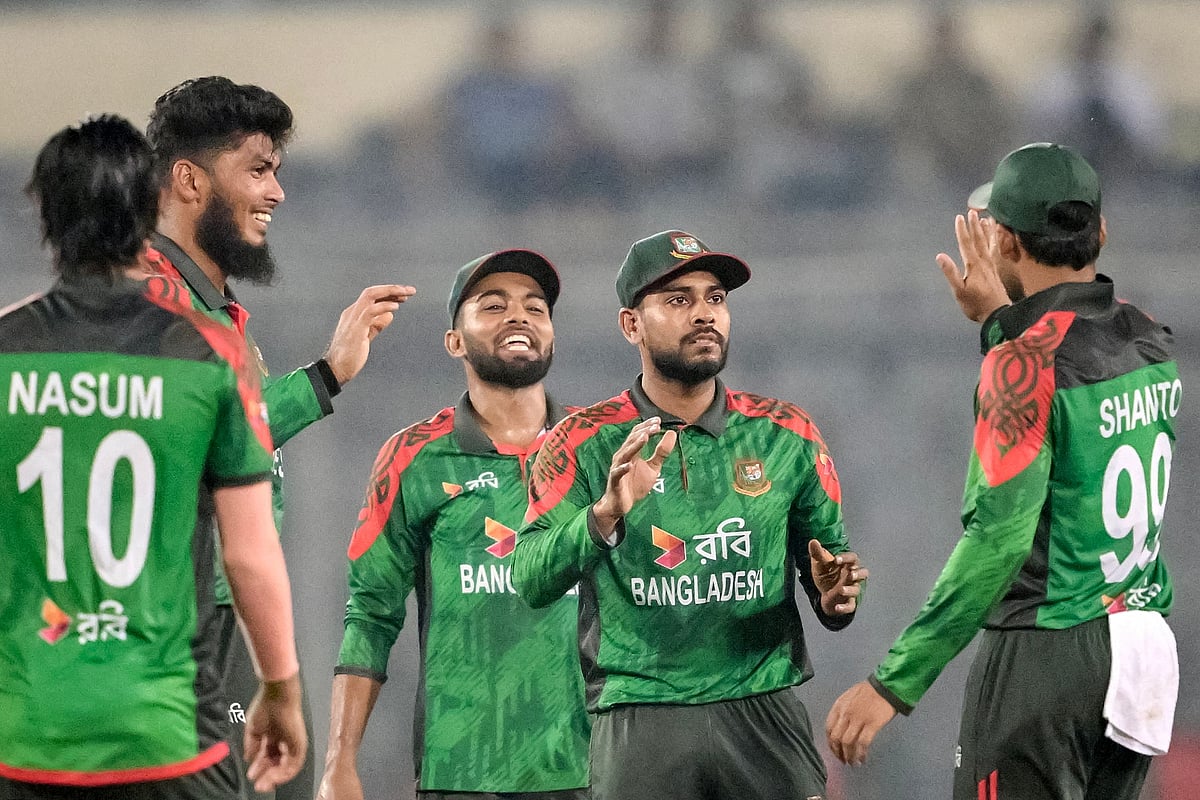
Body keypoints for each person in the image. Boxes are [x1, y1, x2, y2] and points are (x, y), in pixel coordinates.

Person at [826, 143, 1180, 800]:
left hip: (1050, 649)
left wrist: (892, 683)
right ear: (1100, 232)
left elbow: (998, 539)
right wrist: (1000, 324)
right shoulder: (1148, 337)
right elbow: (1071, 362)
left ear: (1005, 242)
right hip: (1143, 652)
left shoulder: (1020, 364)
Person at [0, 115, 304, 799]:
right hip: (169, 737)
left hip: (24, 736)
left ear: (47, 217)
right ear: (149, 209)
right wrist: (280, 688)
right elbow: (249, 552)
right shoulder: (210, 355)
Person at [513, 230, 868, 800]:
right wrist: (603, 515)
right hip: (640, 715)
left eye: (715, 298)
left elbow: (833, 575)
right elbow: (531, 576)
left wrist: (837, 595)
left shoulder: (787, 433)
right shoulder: (581, 442)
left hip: (764, 713)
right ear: (631, 325)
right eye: (679, 300)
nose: (704, 313)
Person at [144, 76, 415, 800]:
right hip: (190, 616)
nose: (277, 192)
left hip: (227, 614)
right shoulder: (150, 303)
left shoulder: (210, 307)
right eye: (258, 170)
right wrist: (325, 379)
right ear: (190, 180)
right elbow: (208, 434)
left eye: (278, 171)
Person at [318, 251, 590, 800]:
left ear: (552, 335)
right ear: (455, 341)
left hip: (592, 770)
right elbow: (371, 613)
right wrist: (339, 762)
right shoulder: (413, 457)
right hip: (461, 774)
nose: (519, 316)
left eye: (535, 308)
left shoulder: (600, 449)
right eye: (494, 306)